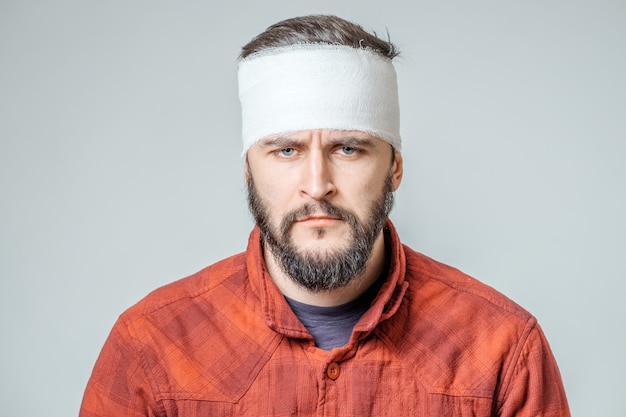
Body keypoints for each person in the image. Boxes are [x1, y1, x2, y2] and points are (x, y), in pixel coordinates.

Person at [79, 15, 570, 417]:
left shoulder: (503, 348)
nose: (317, 184)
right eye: (286, 150)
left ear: (395, 167)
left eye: (349, 148)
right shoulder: (151, 347)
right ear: (249, 170)